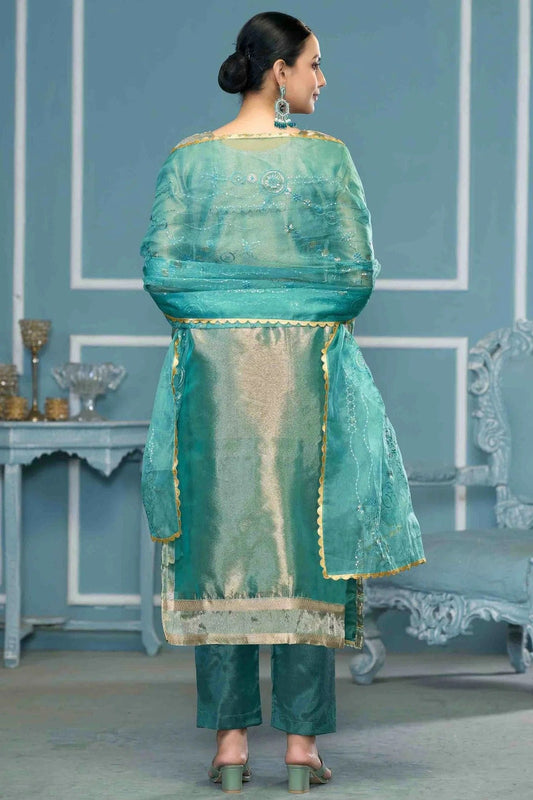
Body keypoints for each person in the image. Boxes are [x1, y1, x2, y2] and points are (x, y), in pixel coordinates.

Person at [140, 11, 425, 794]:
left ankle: (230, 746)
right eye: (314, 64)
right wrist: (293, 306)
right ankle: (300, 747)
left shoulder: (187, 161)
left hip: (215, 384)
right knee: (307, 547)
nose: (321, 80)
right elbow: (352, 281)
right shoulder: (329, 160)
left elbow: (164, 275)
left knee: (220, 550)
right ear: (279, 71)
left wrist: (227, 312)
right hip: (306, 381)